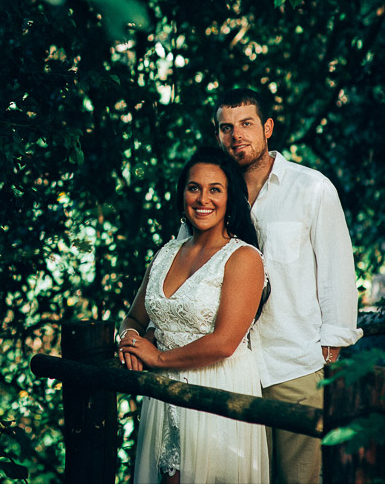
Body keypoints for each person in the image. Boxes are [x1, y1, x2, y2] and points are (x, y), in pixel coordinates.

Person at [210, 87, 362, 484]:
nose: (237, 135)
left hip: (294, 362)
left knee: (298, 479)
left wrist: (332, 345)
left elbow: (337, 269)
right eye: (227, 128)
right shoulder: (213, 196)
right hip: (231, 368)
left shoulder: (311, 188)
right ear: (218, 137)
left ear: (268, 128)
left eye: (246, 124)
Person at [119, 146, 270, 484]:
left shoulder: (244, 258)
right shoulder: (167, 253)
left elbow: (224, 342)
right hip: (164, 393)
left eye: (215, 189)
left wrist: (156, 357)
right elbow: (134, 319)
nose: (204, 198)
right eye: (194, 187)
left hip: (217, 388)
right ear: (183, 193)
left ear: (230, 197)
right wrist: (129, 340)